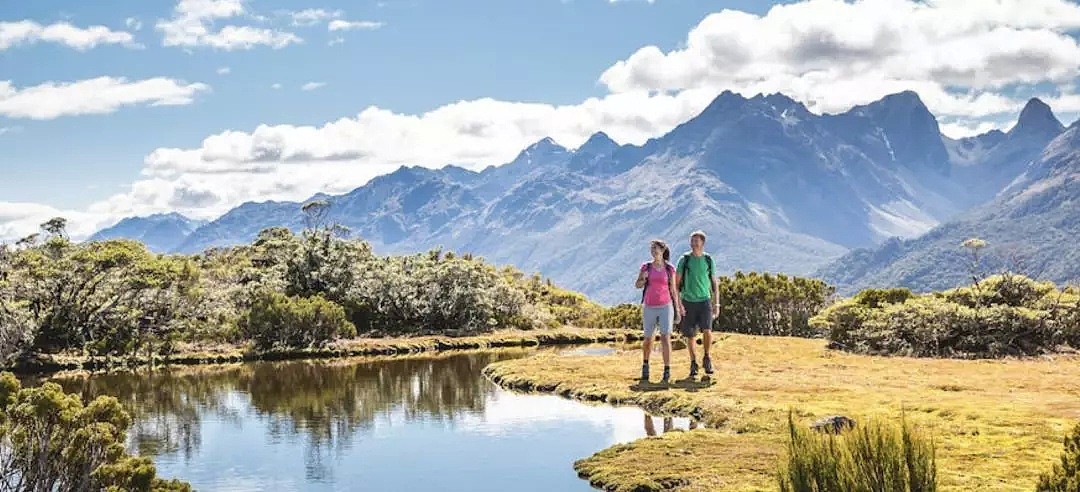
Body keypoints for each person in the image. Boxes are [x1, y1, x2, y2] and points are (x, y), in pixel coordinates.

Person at [634, 239, 682, 383]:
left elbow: (673, 290)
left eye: (657, 249)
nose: (654, 252)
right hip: (649, 306)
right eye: (652, 249)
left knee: (665, 338)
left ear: (662, 251)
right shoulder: (646, 267)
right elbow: (637, 284)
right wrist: (643, 279)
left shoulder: (670, 269)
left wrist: (677, 309)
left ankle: (667, 370)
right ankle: (645, 365)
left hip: (665, 306)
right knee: (648, 338)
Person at [674, 230, 719, 379]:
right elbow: (676, 283)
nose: (693, 243)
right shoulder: (684, 260)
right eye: (692, 240)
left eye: (696, 240)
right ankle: (693, 363)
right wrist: (679, 304)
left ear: (702, 243)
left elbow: (714, 283)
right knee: (691, 335)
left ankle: (707, 357)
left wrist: (716, 303)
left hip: (705, 300)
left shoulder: (708, 260)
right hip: (688, 301)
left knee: (707, 330)